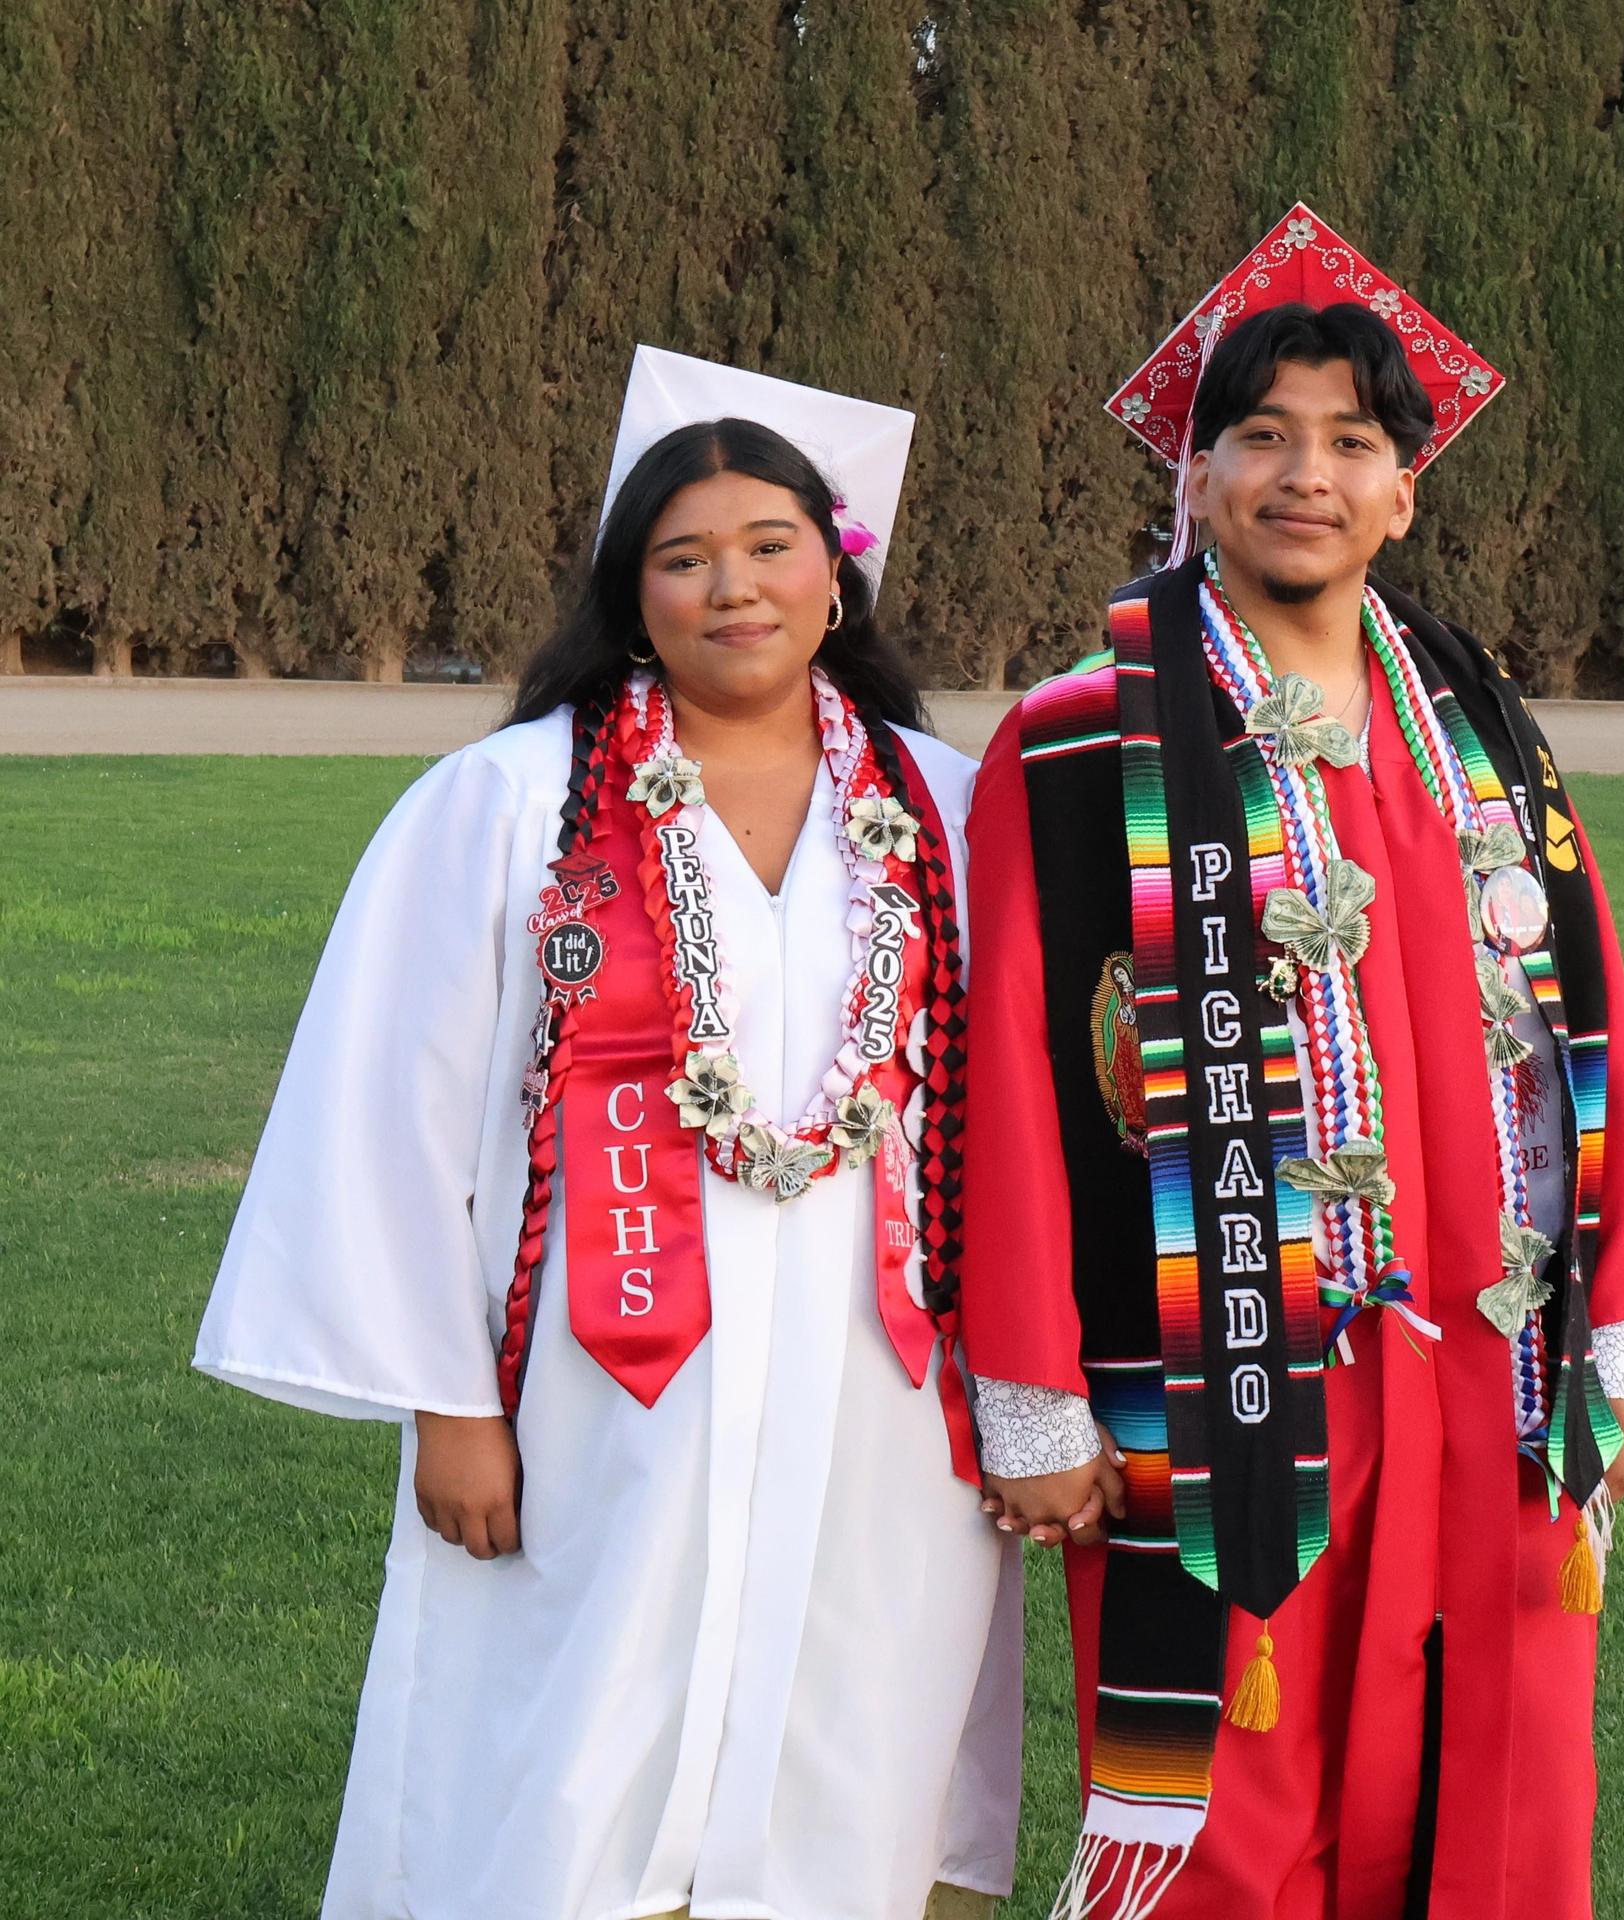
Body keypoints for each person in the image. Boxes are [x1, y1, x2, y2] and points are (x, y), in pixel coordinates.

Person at [195, 349, 1018, 1920]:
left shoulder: (947, 808)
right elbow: (388, 1114)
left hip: (884, 1391)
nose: (733, 588)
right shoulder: (507, 805)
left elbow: (1022, 1115)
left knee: (854, 1717)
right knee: (566, 1751)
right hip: (593, 1389)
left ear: (835, 573)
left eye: (770, 546)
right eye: (684, 557)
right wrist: (448, 1404)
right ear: (628, 594)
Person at [961, 206, 1624, 1919]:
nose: (1307, 475)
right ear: (1195, 472)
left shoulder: (1481, 727)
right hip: (1227, 1371)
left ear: (1406, 489)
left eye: (1351, 442)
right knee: (1235, 1801)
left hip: (1490, 1369)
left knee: (1502, 1771)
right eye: (1262, 438)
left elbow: (1590, 1027)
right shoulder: (1080, 740)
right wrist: (1035, 1391)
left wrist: (1618, 1332)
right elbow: (1012, 1075)